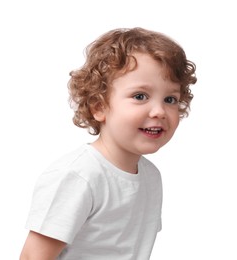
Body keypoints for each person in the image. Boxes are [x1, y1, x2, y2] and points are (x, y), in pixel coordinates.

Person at [19, 27, 197, 260]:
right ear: (99, 106)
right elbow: (34, 257)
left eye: (170, 99)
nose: (159, 111)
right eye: (140, 96)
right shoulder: (77, 176)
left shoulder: (150, 177)